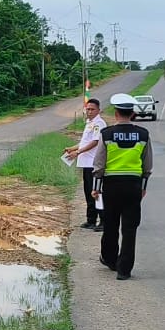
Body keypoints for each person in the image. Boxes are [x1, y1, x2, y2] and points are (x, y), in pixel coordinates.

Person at [92, 93, 153, 280]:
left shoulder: (107, 134)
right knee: (130, 228)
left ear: (116, 113)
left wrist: (96, 187)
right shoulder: (143, 135)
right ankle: (124, 270)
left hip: (111, 186)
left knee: (110, 224)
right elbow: (147, 165)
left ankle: (110, 259)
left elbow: (99, 164)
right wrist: (143, 187)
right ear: (133, 114)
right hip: (134, 186)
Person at [63, 98, 108, 231]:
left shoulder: (99, 124)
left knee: (97, 192)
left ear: (98, 110)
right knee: (88, 193)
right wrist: (73, 148)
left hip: (94, 163)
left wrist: (78, 152)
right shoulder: (89, 123)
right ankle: (91, 220)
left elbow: (94, 142)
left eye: (92, 109)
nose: (89, 111)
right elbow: (84, 142)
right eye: (87, 109)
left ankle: (103, 221)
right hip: (86, 163)